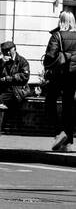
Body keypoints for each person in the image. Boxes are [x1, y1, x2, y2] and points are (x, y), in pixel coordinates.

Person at [43, 11, 76, 152]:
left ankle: (59, 132)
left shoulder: (57, 35)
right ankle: (67, 143)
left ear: (61, 21)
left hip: (60, 74)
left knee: (50, 102)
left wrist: (47, 64)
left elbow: (50, 56)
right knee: (68, 105)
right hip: (74, 75)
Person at [0, 41, 30, 136]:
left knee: (1, 99)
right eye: (4, 51)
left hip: (16, 89)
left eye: (9, 50)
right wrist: (1, 64)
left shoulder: (22, 61)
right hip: (3, 87)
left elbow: (24, 77)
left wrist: (8, 78)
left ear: (14, 49)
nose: (7, 53)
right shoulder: (3, 61)